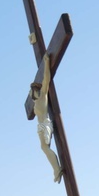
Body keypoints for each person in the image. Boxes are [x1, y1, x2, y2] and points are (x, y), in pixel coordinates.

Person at [30, 52, 63, 183]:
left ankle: (57, 169)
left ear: (35, 90)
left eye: (31, 90)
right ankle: (55, 169)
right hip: (40, 126)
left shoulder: (43, 96)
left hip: (45, 123)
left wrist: (46, 63)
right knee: (43, 148)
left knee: (45, 147)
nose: (30, 92)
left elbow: (46, 79)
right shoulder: (34, 103)